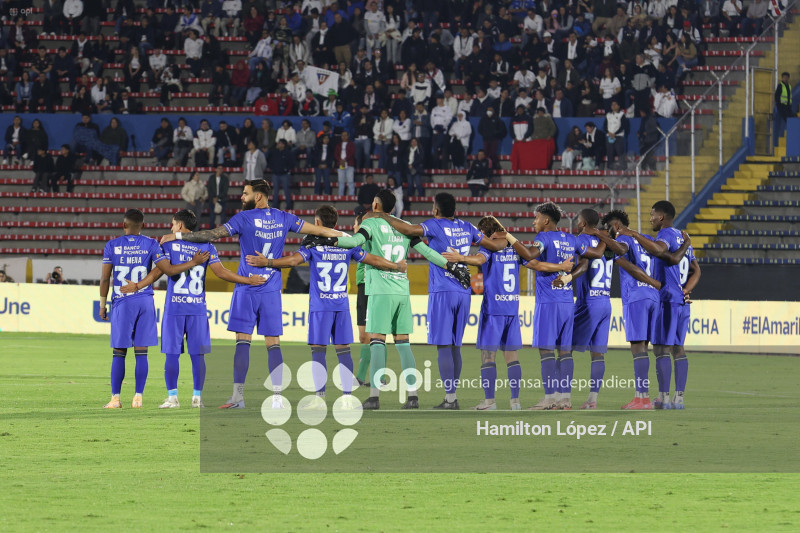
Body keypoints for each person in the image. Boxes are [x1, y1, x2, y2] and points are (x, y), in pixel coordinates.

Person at [157, 180, 344, 409]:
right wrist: (345, 237)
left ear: (258, 196)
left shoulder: (242, 218)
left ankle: (238, 397)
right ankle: (277, 398)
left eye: (245, 194)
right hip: (272, 286)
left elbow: (213, 235)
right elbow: (319, 230)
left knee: (242, 342)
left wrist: (178, 237)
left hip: (247, 288)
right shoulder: (284, 217)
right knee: (273, 343)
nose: (242, 197)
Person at [307, 190, 471, 410]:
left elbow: (355, 240)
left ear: (376, 204)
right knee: (403, 343)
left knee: (377, 342)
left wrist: (328, 239)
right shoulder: (404, 226)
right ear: (392, 208)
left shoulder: (371, 224)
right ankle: (412, 396)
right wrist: (451, 265)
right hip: (402, 291)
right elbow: (427, 251)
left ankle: (374, 397)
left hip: (381, 289)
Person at [246, 205, 406, 407]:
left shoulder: (314, 244)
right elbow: (371, 259)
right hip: (341, 305)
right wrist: (396, 266)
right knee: (344, 350)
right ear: (336, 223)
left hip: (321, 307)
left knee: (318, 351)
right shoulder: (347, 242)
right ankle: (347, 397)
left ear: (318, 223)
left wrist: (267, 262)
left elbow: (293, 261)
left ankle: (320, 397)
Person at [371, 194, 510, 409]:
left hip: (442, 290)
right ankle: (451, 398)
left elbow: (408, 230)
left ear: (436, 209)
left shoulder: (434, 225)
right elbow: (494, 245)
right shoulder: (467, 227)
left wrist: (381, 215)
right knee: (456, 346)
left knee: (443, 345)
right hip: (464, 292)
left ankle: (451, 399)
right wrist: (508, 237)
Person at [121, 209, 265, 408]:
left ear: (180, 225)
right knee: (198, 355)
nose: (171, 228)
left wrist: (137, 286)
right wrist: (248, 280)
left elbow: (157, 273)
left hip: (175, 308)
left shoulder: (169, 244)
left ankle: (172, 398)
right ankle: (197, 398)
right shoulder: (207, 246)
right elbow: (221, 273)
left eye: (173, 224)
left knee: (172, 354)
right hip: (198, 308)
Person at [441, 216, 572, 411]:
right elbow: (536, 265)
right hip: (512, 309)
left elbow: (479, 259)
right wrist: (561, 267)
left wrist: (461, 258)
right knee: (512, 357)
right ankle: (515, 402)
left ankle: (489, 402)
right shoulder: (514, 248)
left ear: (485, 232)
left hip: (493, 309)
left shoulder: (490, 247)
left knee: (488, 356)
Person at [510, 202, 589, 410]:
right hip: (566, 302)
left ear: (546, 220)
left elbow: (529, 255)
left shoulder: (543, 238)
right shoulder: (571, 239)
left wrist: (512, 240)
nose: (533, 221)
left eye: (536, 218)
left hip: (548, 302)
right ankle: (565, 399)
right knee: (565, 352)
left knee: (546, 351)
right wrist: (569, 276)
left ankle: (550, 398)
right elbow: (587, 260)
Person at [617, 201, 692, 409]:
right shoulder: (683, 237)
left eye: (652, 215)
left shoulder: (666, 235)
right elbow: (696, 269)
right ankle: (679, 398)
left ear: (661, 217)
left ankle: (663, 398)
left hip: (667, 298)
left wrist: (632, 233)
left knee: (661, 349)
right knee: (679, 348)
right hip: (681, 299)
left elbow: (660, 251)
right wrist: (686, 289)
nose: (650, 218)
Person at [591, 209, 664, 409]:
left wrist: (599, 235)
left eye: (608, 229)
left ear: (615, 227)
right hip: (653, 298)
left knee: (638, 347)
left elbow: (627, 261)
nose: (607, 233)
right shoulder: (646, 239)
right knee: (647, 347)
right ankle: (652, 396)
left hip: (637, 297)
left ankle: (642, 398)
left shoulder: (623, 239)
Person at [99, 209, 169, 409]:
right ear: (143, 226)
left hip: (123, 301)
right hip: (145, 301)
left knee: (119, 352)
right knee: (142, 352)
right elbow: (162, 268)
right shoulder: (151, 243)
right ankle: (138, 397)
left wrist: (103, 304)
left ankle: (115, 398)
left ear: (123, 225)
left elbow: (105, 278)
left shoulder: (112, 245)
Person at [268, 139, 296, 209]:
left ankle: (288, 206)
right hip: (275, 174)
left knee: (286, 190)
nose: (278, 144)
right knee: (275, 191)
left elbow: (292, 163)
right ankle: (275, 206)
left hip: (285, 174)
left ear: (284, 145)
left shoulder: (288, 153)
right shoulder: (274, 152)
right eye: (278, 143)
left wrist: (286, 169)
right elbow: (270, 160)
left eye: (280, 143)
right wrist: (272, 168)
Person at [604, 100, 628, 170]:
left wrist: (615, 133)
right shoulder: (608, 115)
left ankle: (623, 166)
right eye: (612, 105)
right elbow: (605, 125)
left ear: (618, 106)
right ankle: (610, 167)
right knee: (609, 152)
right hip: (609, 136)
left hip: (618, 136)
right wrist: (609, 133)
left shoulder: (621, 114)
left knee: (620, 151)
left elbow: (623, 126)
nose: (613, 106)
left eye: (615, 105)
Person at [335, 131, 356, 196]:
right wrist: (340, 160)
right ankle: (340, 195)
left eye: (345, 135)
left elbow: (352, 153)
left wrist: (345, 160)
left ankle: (351, 194)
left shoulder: (351, 144)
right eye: (342, 135)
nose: (344, 137)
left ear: (348, 136)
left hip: (349, 164)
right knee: (341, 181)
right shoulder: (338, 145)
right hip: (340, 164)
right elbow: (336, 154)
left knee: (350, 180)